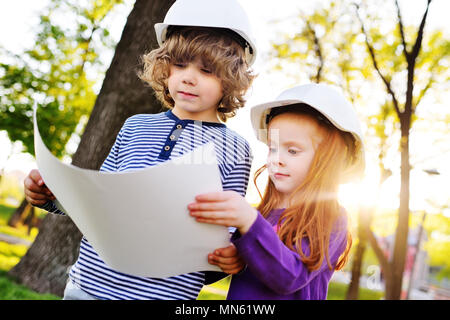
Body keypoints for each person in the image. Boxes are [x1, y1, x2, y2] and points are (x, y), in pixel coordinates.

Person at [24, 0, 257, 300]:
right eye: (180, 64)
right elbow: (98, 201)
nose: (189, 77)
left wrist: (230, 259)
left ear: (231, 78)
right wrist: (52, 197)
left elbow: (223, 236)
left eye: (207, 69)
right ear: (165, 66)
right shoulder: (135, 126)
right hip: (89, 286)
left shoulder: (235, 149)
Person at [188, 83, 365, 299]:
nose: (276, 159)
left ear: (329, 161)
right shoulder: (261, 213)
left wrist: (250, 223)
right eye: (272, 148)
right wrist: (230, 257)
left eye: (292, 150)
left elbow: (291, 276)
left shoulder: (332, 219)